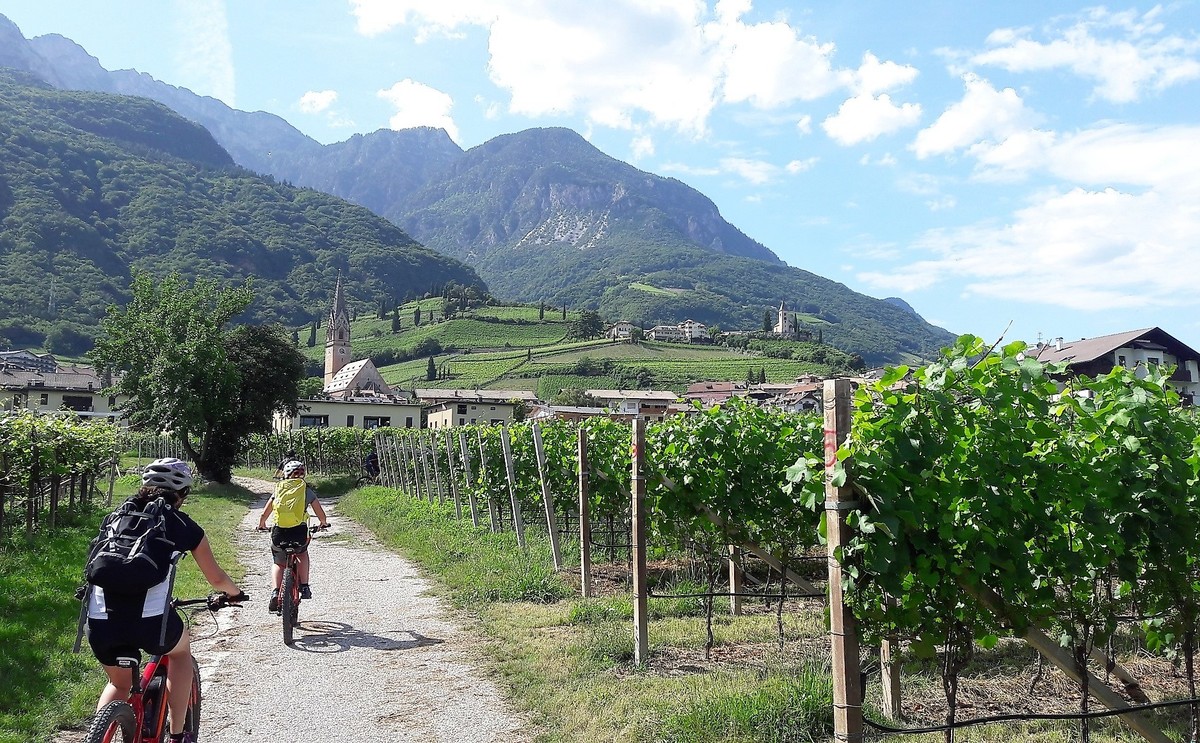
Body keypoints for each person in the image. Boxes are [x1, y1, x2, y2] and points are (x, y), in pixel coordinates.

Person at [86, 458, 246, 743]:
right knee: (180, 653)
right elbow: (217, 578)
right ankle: (177, 733)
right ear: (182, 494)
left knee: (118, 684)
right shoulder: (183, 525)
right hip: (151, 625)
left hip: (100, 622)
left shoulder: (114, 517)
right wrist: (233, 594)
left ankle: (97, 736)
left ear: (144, 486)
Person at [257, 460, 329, 610]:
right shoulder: (305, 490)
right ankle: (304, 587)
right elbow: (319, 511)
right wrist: (323, 522)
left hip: (279, 533)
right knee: (302, 554)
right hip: (299, 532)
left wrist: (262, 524)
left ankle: (276, 592)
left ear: (285, 474)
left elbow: (266, 512)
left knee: (279, 562)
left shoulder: (279, 488)